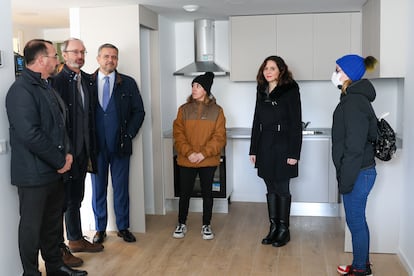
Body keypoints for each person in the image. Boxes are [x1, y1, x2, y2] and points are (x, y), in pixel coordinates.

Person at [5, 39, 87, 276]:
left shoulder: (45, 85)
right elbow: (30, 134)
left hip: (53, 171)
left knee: (52, 225)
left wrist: (68, 154)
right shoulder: (20, 91)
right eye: (53, 56)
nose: (57, 60)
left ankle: (55, 267)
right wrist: (60, 160)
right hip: (33, 174)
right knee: (31, 228)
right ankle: (31, 272)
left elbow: (62, 125)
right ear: (41, 60)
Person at [52, 38, 103, 267]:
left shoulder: (86, 81)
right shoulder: (56, 82)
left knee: (77, 198)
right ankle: (60, 249)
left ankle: (75, 239)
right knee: (63, 202)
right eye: (75, 52)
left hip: (83, 151)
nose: (80, 56)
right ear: (64, 55)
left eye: (83, 52)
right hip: (66, 154)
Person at [91, 43, 145, 244]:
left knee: (121, 188)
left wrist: (129, 134)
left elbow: (139, 112)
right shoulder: (87, 82)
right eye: (106, 56)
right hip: (96, 147)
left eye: (114, 57)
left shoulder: (128, 83)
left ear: (117, 60)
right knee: (98, 189)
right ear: (98, 59)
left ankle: (123, 227)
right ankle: (99, 229)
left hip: (120, 145)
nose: (110, 60)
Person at [331, 54, 378, 276]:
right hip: (359, 171)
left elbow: (355, 147)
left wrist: (345, 179)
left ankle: (360, 269)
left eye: (338, 69)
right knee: (357, 220)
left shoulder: (354, 102)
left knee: (356, 221)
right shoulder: (354, 98)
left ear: (349, 73)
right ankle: (362, 264)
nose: (335, 73)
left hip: (358, 172)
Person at [249, 56, 302, 247]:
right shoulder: (261, 90)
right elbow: (257, 120)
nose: (268, 71)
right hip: (265, 144)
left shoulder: (291, 89)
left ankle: (284, 230)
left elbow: (296, 123)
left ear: (281, 70)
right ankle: (273, 228)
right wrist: (253, 149)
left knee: (282, 188)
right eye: (265, 68)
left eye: (272, 68)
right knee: (270, 187)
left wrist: (294, 153)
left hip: (284, 144)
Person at [172, 72, 226, 240]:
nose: (194, 89)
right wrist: (189, 153)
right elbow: (178, 133)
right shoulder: (184, 109)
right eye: (193, 86)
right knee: (185, 192)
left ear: (206, 90)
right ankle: (181, 223)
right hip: (187, 160)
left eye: (198, 86)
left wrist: (202, 154)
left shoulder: (217, 111)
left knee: (207, 193)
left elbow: (219, 137)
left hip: (207, 160)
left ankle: (206, 225)